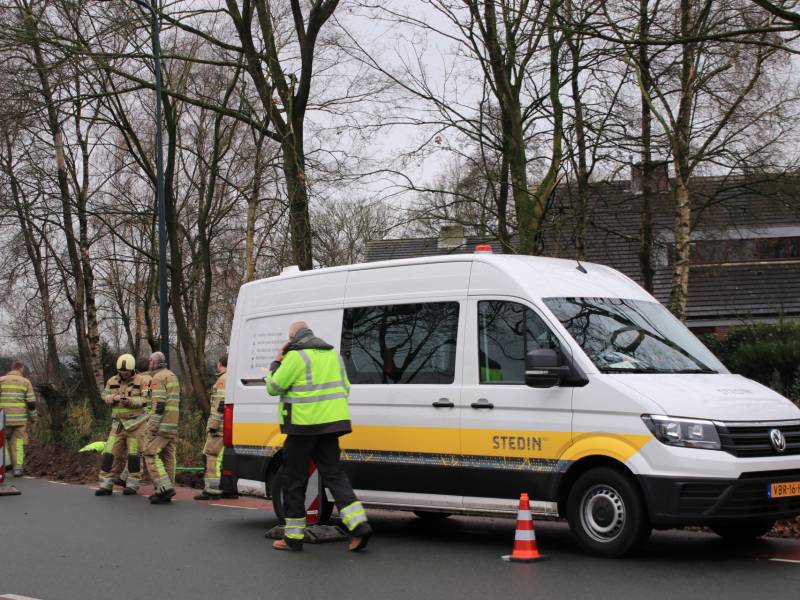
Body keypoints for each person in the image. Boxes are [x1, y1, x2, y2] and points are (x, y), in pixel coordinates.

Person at [265, 321, 372, 552]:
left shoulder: (295, 357)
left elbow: (274, 387)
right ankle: (359, 526)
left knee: (294, 479)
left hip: (302, 427)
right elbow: (345, 388)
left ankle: (292, 538)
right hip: (331, 426)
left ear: (293, 338)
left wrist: (277, 360)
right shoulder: (333, 355)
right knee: (334, 475)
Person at [95, 354, 149, 496]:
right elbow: (104, 395)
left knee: (134, 457)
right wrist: (113, 398)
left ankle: (132, 486)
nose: (123, 375)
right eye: (121, 372)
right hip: (118, 425)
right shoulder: (112, 380)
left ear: (132, 370)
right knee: (110, 455)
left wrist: (130, 401)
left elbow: (146, 398)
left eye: (126, 372)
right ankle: (105, 486)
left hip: (136, 425)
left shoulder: (142, 380)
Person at [142, 351, 181, 504]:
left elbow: (159, 404)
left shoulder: (157, 378)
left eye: (150, 361)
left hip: (161, 425)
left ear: (154, 362)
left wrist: (152, 426)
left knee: (150, 453)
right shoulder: (172, 375)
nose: (148, 363)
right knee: (168, 457)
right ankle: (167, 487)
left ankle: (164, 489)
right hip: (172, 424)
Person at [195, 354, 227, 501]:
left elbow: (219, 406)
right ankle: (226, 488)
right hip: (227, 425)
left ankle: (211, 490)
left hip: (218, 426)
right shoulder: (231, 378)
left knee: (211, 455)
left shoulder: (222, 380)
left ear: (220, 364)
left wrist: (213, 426)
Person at [0, 361, 37, 477]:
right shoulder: (26, 382)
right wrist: (33, 418)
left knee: (3, 443)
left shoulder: (1, 380)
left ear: (11, 368)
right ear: (21, 369)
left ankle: (6, 464)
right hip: (20, 421)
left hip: (3, 420)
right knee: (18, 443)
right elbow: (31, 403)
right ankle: (18, 469)